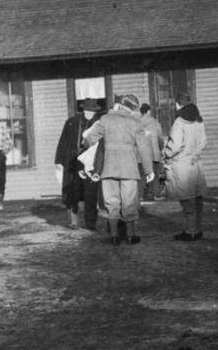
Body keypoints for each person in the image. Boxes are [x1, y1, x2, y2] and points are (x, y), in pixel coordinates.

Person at [82, 94, 154, 244]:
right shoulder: (136, 122)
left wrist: (84, 145)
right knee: (129, 203)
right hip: (129, 169)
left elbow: (90, 138)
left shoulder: (106, 119)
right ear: (134, 109)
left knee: (111, 203)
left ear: (121, 104)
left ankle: (114, 236)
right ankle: (130, 235)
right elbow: (144, 148)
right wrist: (149, 170)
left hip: (109, 168)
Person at [164, 96, 208, 240]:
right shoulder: (198, 120)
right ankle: (198, 229)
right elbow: (203, 142)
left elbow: (175, 145)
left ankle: (191, 231)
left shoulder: (179, 122)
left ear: (178, 104)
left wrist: (166, 153)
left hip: (182, 164)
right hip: (196, 163)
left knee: (187, 200)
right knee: (197, 199)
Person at [54, 99, 102, 230]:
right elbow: (63, 141)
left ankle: (91, 223)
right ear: (83, 110)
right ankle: (74, 221)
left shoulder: (98, 124)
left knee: (91, 193)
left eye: (92, 111)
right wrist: (59, 160)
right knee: (72, 193)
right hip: (73, 162)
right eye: (88, 111)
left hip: (90, 163)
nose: (90, 113)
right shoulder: (72, 122)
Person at [138, 103, 164, 201]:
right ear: (149, 111)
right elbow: (160, 138)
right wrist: (160, 149)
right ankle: (155, 194)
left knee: (141, 175)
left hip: (141, 154)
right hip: (154, 152)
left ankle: (140, 195)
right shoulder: (155, 123)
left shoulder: (137, 122)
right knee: (155, 174)